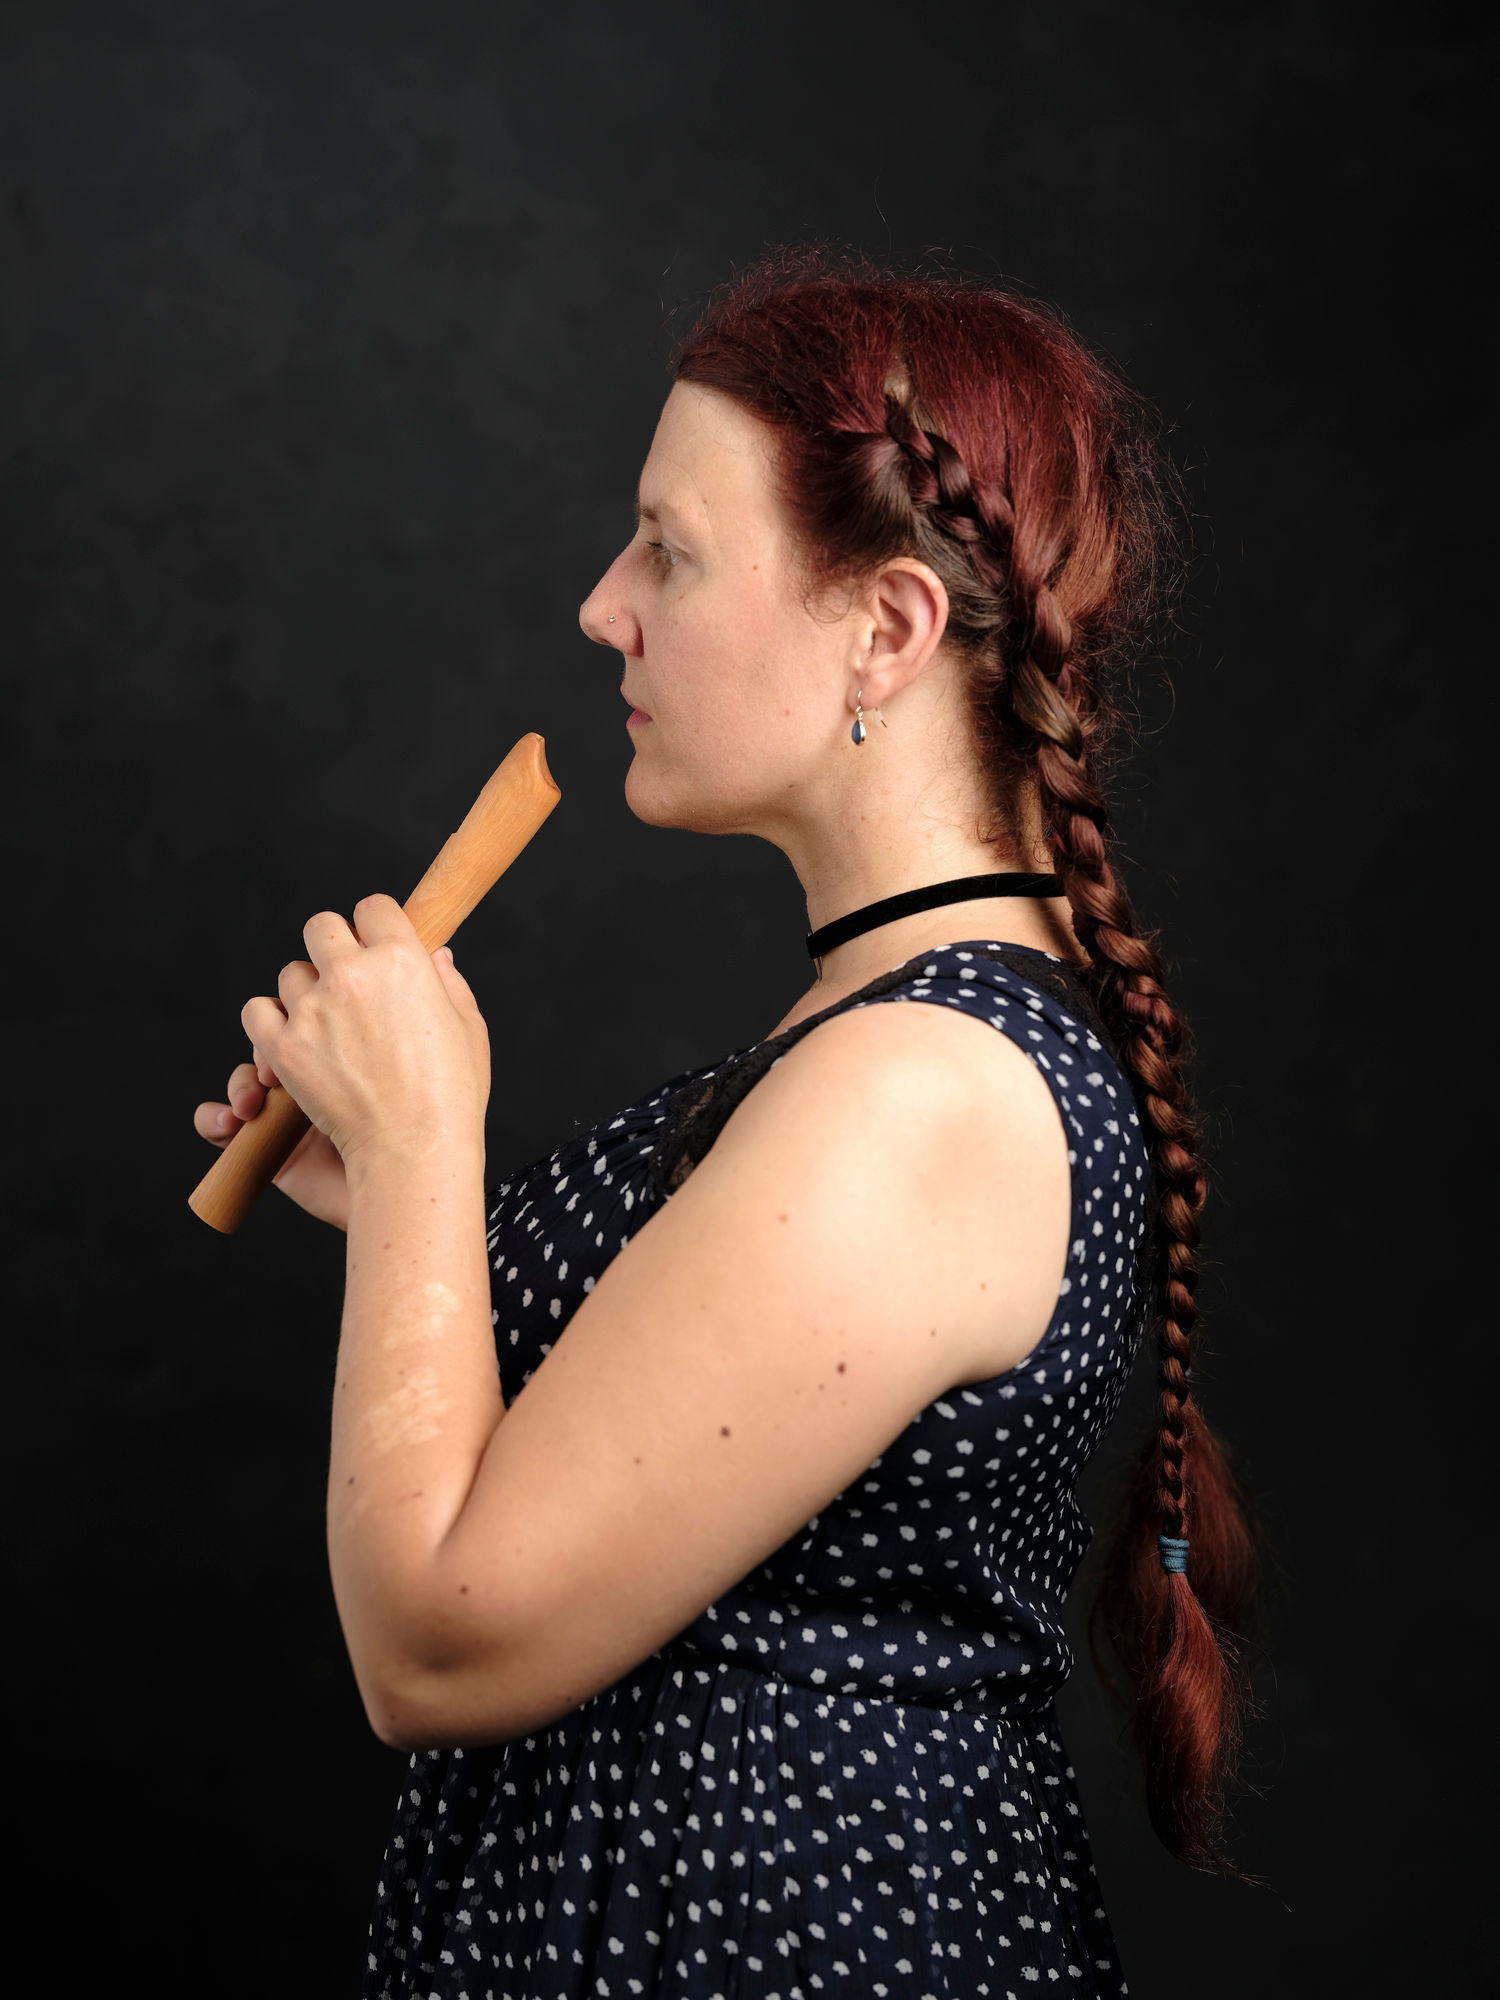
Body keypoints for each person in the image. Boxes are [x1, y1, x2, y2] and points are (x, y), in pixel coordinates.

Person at [194, 245, 1259, 1998]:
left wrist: (418, 1151)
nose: (606, 607)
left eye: (670, 551)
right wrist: (401, 1214)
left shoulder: (924, 1093)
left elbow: (440, 1647)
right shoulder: (871, 1037)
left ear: (890, 627)